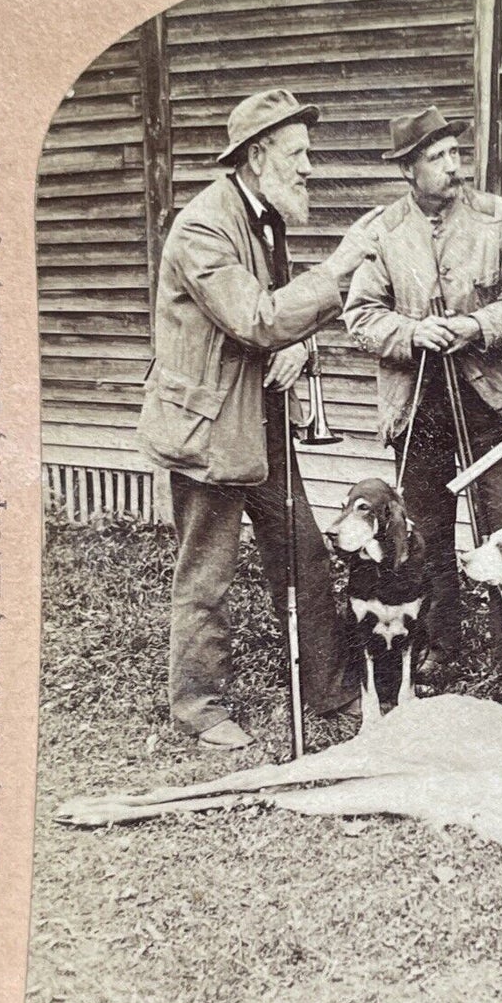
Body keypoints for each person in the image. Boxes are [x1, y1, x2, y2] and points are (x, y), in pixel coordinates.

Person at [137, 88, 378, 748]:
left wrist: (300, 343)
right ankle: (197, 706)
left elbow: (276, 318)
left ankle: (328, 690)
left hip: (262, 419)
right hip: (209, 429)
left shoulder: (264, 216)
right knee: (206, 572)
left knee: (301, 552)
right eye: (298, 154)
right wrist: (339, 266)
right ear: (255, 156)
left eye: (308, 153)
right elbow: (254, 317)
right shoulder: (202, 228)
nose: (309, 167)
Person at [344, 107, 502, 674]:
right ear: (408, 168)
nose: (453, 168)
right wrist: (412, 332)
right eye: (437, 158)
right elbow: (360, 318)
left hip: (490, 398)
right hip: (418, 406)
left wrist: (476, 326)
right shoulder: (381, 233)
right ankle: (440, 646)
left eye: (456, 154)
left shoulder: (496, 218)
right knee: (424, 531)